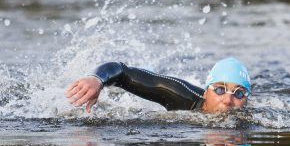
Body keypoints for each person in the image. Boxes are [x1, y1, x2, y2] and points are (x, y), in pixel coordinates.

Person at [65, 57, 251, 113]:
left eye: (239, 93)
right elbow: (121, 71)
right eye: (219, 90)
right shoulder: (179, 93)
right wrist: (96, 80)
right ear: (206, 91)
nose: (228, 100)